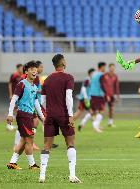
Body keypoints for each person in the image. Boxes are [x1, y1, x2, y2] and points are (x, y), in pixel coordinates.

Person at [39, 54, 80, 183]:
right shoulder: (68, 78)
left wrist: (48, 112)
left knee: (46, 146)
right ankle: (72, 175)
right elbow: (69, 97)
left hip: (50, 115)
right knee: (70, 144)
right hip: (63, 114)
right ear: (63, 63)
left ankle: (42, 175)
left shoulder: (47, 80)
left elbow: (43, 101)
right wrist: (70, 115)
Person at [6, 61, 44, 170]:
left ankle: (12, 163)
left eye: (35, 70)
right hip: (23, 115)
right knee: (30, 139)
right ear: (26, 72)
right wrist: (10, 114)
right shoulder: (22, 84)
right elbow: (14, 99)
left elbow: (36, 103)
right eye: (32, 69)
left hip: (29, 115)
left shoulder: (34, 86)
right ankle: (32, 164)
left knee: (24, 140)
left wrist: (42, 117)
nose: (35, 71)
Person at [89, 62, 108, 133]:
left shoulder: (94, 74)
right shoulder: (101, 75)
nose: (105, 69)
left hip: (93, 94)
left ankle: (97, 125)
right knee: (101, 110)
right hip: (98, 94)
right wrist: (106, 94)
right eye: (104, 67)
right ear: (102, 67)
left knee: (96, 111)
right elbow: (102, 85)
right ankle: (95, 126)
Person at [7, 64, 23, 148]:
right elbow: (9, 84)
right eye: (21, 68)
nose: (22, 69)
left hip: (20, 96)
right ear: (18, 68)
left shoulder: (22, 76)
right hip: (14, 95)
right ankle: (9, 125)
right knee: (14, 109)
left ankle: (10, 125)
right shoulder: (14, 75)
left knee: (16, 110)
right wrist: (10, 94)